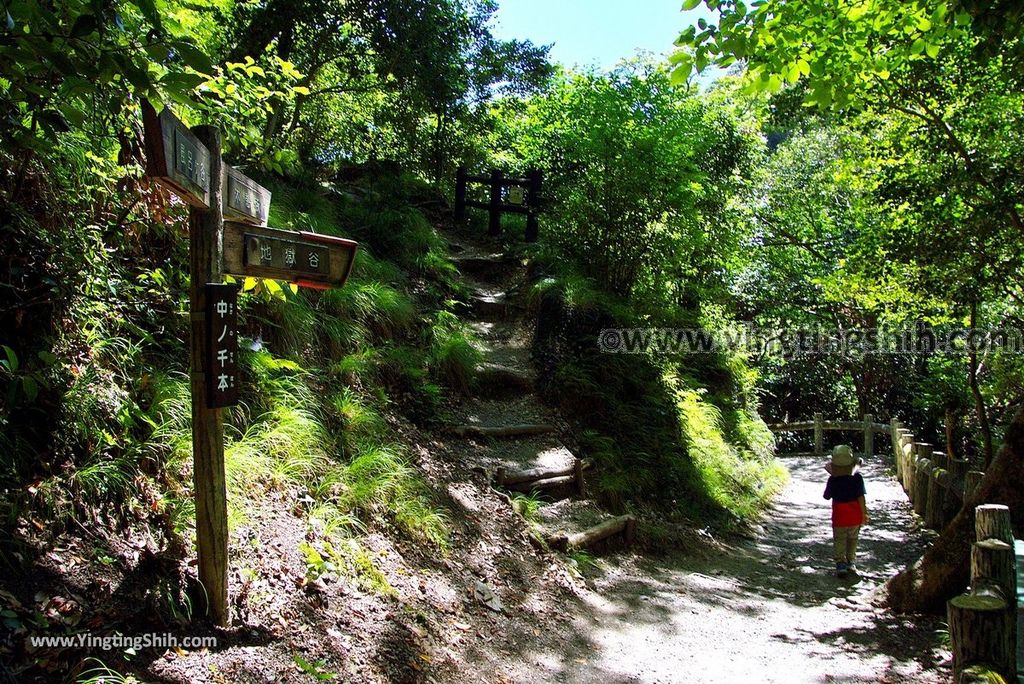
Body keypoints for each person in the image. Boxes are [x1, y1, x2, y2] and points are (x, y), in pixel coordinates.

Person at [823, 444, 869, 577]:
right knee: (853, 538)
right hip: (855, 515)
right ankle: (851, 561)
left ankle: (840, 564)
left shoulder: (833, 480)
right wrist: (864, 513)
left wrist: (833, 479)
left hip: (839, 515)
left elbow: (826, 496)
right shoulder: (857, 478)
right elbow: (861, 497)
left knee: (839, 539)